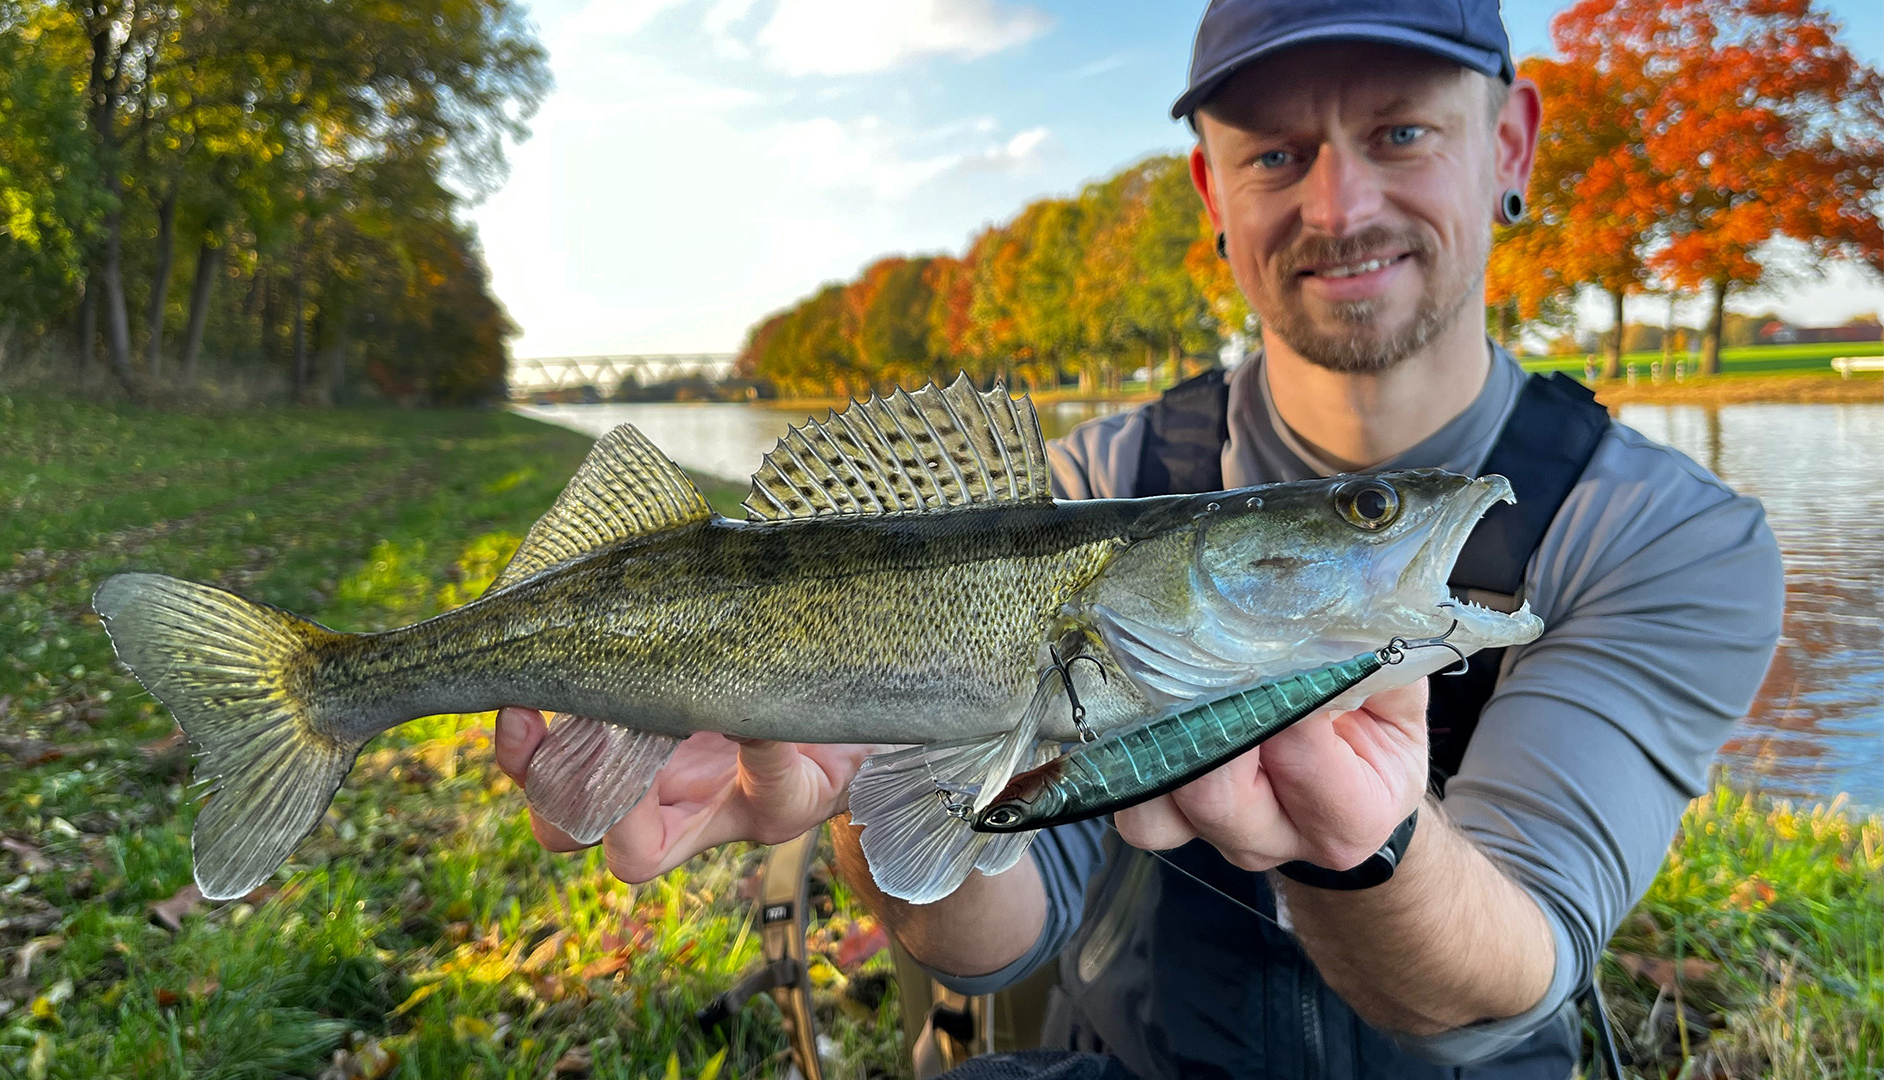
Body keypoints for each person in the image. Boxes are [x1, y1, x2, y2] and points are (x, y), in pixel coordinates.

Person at [493, 1, 1786, 1075]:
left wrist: (1365, 849)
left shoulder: (1669, 540)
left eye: (1401, 130)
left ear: (1509, 143)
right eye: (1275, 155)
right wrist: (869, 794)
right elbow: (991, 940)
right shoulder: (1088, 482)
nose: (1338, 204)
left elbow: (1516, 968)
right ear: (1209, 191)